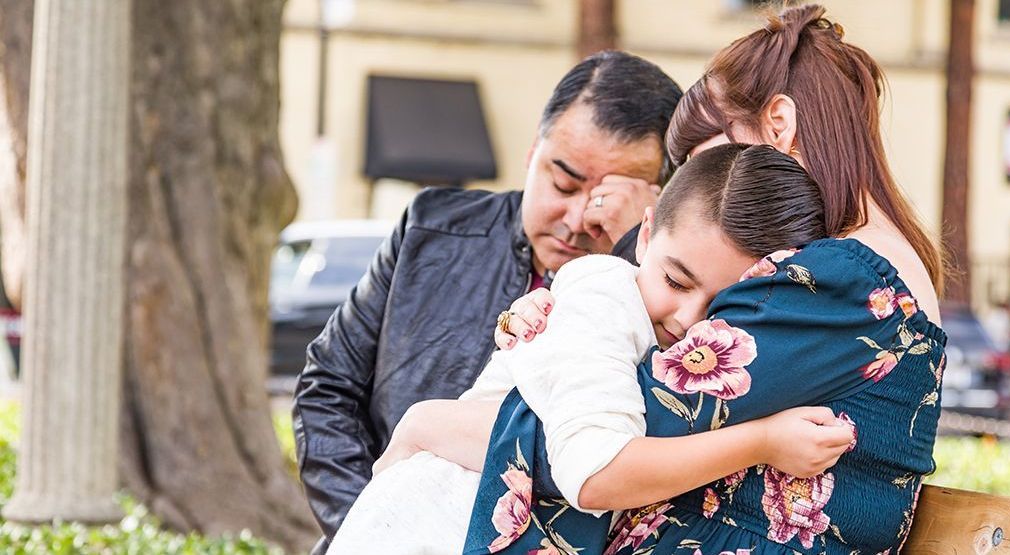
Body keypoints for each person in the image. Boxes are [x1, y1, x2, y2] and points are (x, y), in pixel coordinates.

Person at [489, 5, 947, 553]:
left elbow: (606, 436)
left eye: (721, 162)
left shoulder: (840, 280)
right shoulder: (850, 273)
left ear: (778, 125)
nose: (712, 194)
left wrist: (439, 422)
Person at [326, 144, 855, 555]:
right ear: (644, 237)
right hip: (433, 522)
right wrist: (762, 441)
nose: (690, 319)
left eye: (726, 304)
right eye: (675, 280)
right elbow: (594, 471)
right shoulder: (604, 294)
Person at [291, 50, 683, 551]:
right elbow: (328, 385)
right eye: (562, 182)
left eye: (610, 197)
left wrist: (633, 248)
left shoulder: (675, 298)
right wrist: (378, 518)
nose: (578, 216)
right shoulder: (431, 228)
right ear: (531, 153)